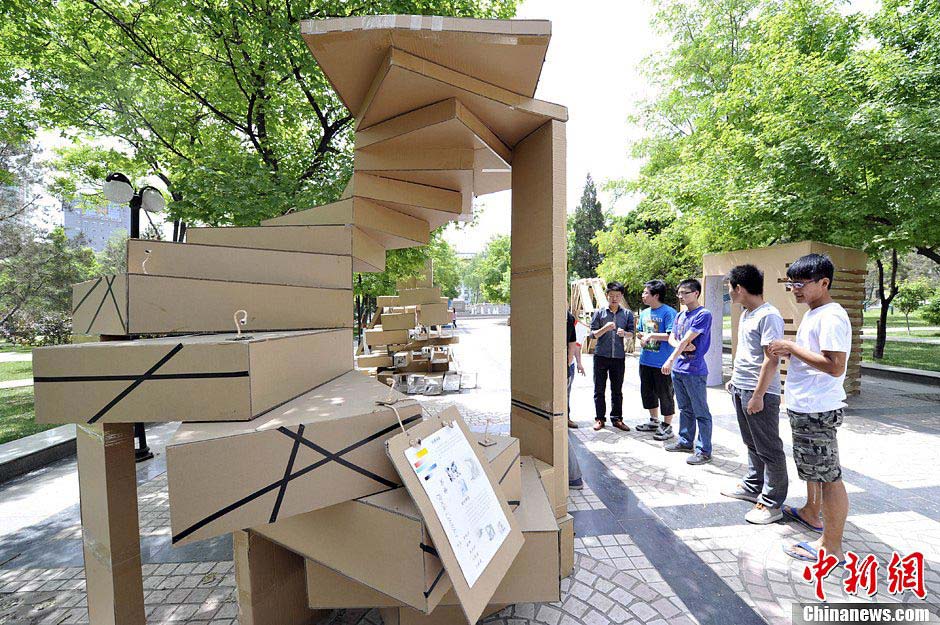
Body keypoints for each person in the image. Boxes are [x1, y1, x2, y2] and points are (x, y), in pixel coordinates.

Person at [768, 254, 851, 564]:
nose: (795, 290)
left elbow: (834, 365)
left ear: (824, 283)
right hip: (808, 408)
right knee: (820, 474)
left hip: (818, 409)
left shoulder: (830, 316)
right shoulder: (816, 313)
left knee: (829, 478)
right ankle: (817, 524)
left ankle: (831, 548)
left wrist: (790, 347)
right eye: (792, 284)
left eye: (800, 284)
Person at [721, 264, 788, 524]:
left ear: (739, 288)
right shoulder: (747, 313)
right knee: (751, 443)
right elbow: (748, 353)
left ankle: (772, 503)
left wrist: (758, 395)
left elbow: (771, 360)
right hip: (741, 387)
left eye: (730, 289)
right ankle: (753, 485)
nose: (730, 294)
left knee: (769, 448)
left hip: (759, 391)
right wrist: (735, 381)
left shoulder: (768, 315)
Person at [661, 279, 713, 465]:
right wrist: (682, 346)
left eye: (685, 293)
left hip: (694, 370)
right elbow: (674, 339)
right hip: (679, 369)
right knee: (685, 408)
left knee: (701, 411)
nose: (681, 296)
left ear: (696, 293)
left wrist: (671, 357)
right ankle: (685, 441)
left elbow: (685, 340)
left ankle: (704, 450)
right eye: (679, 293)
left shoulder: (703, 314)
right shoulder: (680, 316)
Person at [634, 280, 678, 441]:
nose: (643, 295)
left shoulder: (668, 313)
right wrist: (641, 337)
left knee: (665, 394)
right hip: (646, 360)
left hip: (662, 362)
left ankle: (667, 425)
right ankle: (654, 421)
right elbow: (640, 331)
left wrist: (651, 335)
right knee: (648, 392)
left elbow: (671, 336)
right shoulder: (645, 313)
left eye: (646, 293)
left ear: (656, 295)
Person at [590, 282, 635, 432]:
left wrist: (625, 334)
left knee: (617, 390)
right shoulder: (599, 313)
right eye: (611, 296)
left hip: (618, 357)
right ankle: (599, 418)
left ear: (621, 296)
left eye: (617, 296)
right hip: (601, 355)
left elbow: (631, 333)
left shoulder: (627, 314)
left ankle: (617, 419)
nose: (614, 298)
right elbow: (593, 335)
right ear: (607, 295)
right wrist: (605, 327)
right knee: (599, 389)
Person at [567, 310, 585, 489]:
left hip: (564, 369)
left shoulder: (567, 318)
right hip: (562, 368)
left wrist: (569, 363)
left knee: (556, 420)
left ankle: (574, 477)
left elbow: (574, 345)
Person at [567, 311, 586, 429]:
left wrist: (577, 363)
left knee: (566, 394)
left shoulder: (579, 328)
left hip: (569, 364)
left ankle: (566, 418)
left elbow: (575, 347)